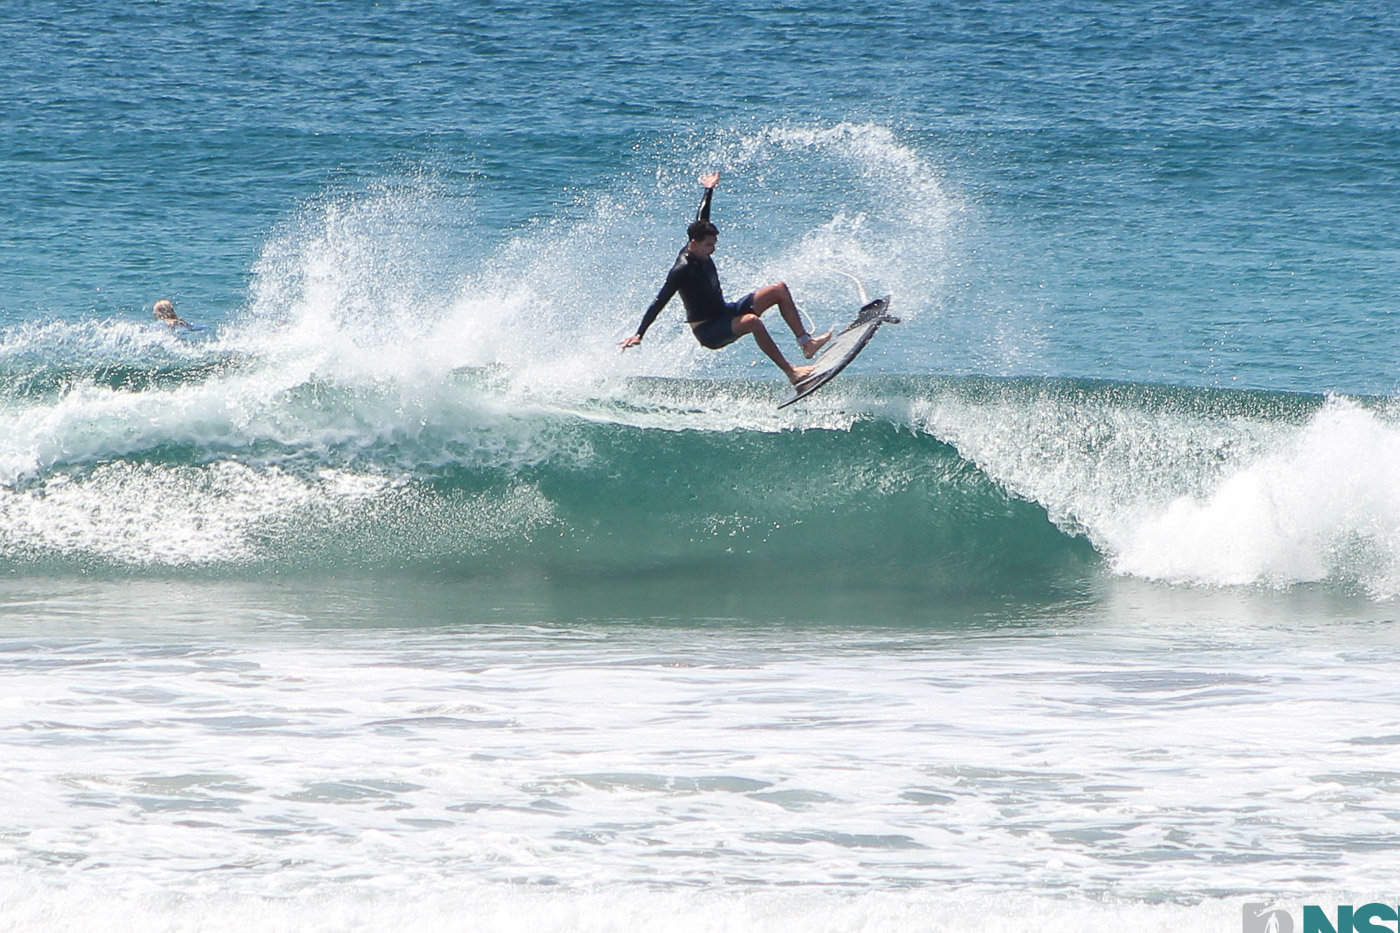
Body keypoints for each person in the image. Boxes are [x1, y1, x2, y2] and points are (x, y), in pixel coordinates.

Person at [620, 172, 831, 384]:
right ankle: (792, 373)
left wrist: (709, 188)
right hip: (709, 330)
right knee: (752, 322)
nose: (712, 250)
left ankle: (806, 343)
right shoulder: (681, 270)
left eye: (714, 245)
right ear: (694, 243)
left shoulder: (699, 236)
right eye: (708, 246)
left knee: (779, 289)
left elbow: (703, 214)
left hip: (725, 312)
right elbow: (660, 301)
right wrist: (640, 333)